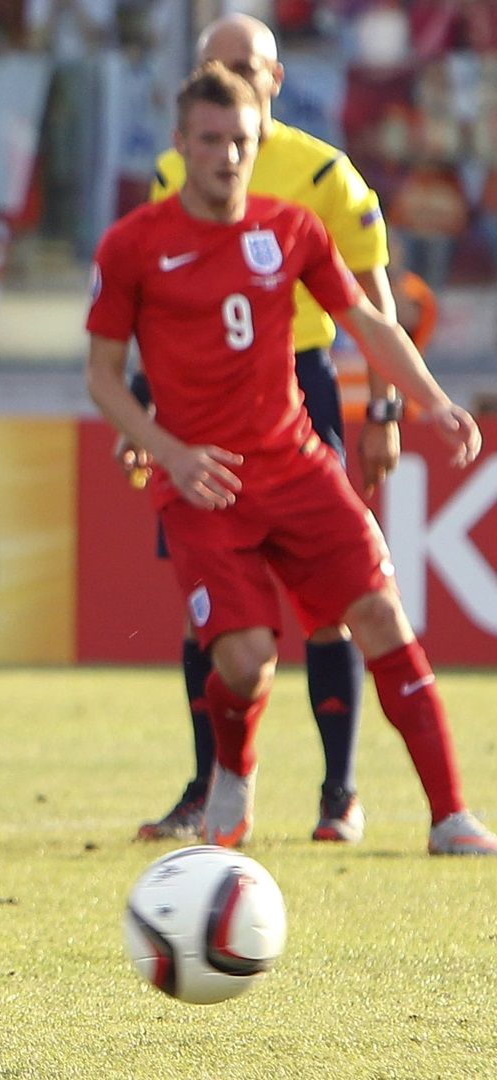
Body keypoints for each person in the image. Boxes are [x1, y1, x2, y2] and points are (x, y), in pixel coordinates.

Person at [86, 62, 495, 857]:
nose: (227, 156)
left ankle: (450, 816)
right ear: (180, 147)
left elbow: (370, 323)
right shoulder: (134, 246)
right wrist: (169, 451)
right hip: (203, 484)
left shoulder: (292, 229)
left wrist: (430, 399)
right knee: (245, 660)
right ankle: (233, 776)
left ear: (257, 140)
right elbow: (102, 376)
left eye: (240, 140)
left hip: (297, 465)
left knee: (379, 613)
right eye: (210, 141)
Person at [130, 13, 406, 846]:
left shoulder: (324, 172)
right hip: (198, 408)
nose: (233, 78)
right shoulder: (172, 173)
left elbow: (373, 303)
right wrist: (143, 414)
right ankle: (205, 786)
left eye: (246, 66)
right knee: (205, 615)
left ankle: (338, 792)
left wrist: (384, 409)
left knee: (329, 606)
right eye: (216, 66)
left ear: (276, 80)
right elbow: (154, 303)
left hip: (301, 393)